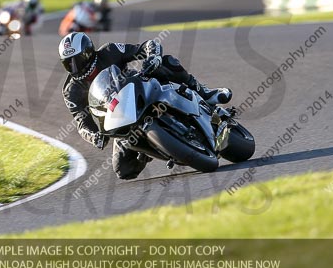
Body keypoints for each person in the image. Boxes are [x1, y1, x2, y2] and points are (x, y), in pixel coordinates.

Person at [58, 32, 232, 180]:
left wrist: (153, 57)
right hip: (119, 118)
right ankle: (151, 148)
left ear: (88, 52)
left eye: (78, 59)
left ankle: (204, 93)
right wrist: (94, 136)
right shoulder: (71, 91)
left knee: (166, 62)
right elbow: (81, 122)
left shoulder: (109, 51)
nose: (75, 67)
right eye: (69, 63)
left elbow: (146, 46)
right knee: (123, 170)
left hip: (140, 89)